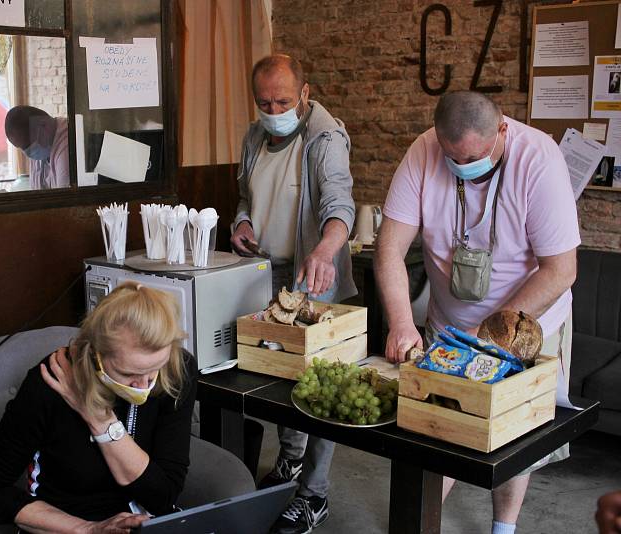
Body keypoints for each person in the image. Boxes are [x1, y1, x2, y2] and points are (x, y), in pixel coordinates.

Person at [375, 91, 579, 534]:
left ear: (503, 130)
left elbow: (561, 270)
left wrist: (488, 338)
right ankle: (419, 524)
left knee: (512, 431)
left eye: (477, 156)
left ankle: (503, 527)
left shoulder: (540, 160)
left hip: (525, 326)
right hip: (448, 323)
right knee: (436, 428)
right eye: (453, 157)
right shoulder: (423, 151)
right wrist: (402, 322)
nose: (464, 165)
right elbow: (389, 249)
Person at [230, 54, 357, 534]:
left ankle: (315, 495)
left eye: (283, 100)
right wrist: (242, 221)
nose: (273, 108)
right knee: (279, 379)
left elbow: (339, 200)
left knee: (319, 391)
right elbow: (247, 195)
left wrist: (325, 251)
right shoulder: (253, 136)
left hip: (315, 275)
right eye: (264, 101)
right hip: (266, 273)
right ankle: (289, 463)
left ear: (305, 93)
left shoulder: (324, 138)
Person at [0, 282, 197, 533]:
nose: (144, 384)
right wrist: (88, 529)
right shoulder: (49, 383)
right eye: (129, 373)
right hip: (69, 526)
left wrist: (99, 420)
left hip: (147, 523)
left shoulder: (177, 370)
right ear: (96, 355)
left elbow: (163, 497)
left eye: (155, 368)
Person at [5, 105, 70, 189]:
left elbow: (65, 198)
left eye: (28, 145)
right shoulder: (41, 139)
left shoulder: (67, 143)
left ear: (43, 126)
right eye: (23, 148)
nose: (28, 153)